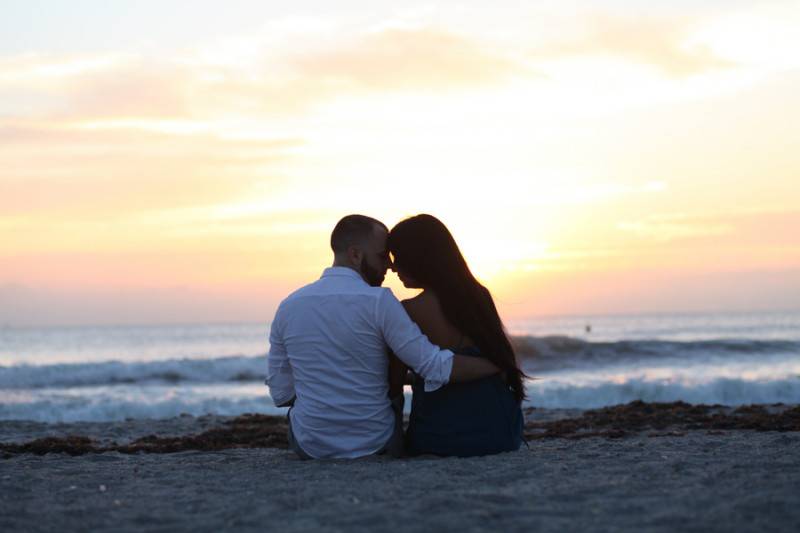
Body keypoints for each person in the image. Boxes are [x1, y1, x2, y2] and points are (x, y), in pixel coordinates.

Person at [266, 214, 500, 459]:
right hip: (374, 443)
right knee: (392, 401)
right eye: (381, 256)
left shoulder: (289, 306)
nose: (388, 265)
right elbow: (433, 367)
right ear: (355, 254)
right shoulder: (380, 301)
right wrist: (496, 363)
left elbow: (281, 394)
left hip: (310, 445)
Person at [388, 214, 526, 457]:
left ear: (420, 259)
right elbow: (494, 361)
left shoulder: (409, 310)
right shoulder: (479, 295)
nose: (393, 267)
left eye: (398, 258)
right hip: (501, 433)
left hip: (441, 437)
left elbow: (394, 383)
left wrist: (396, 441)